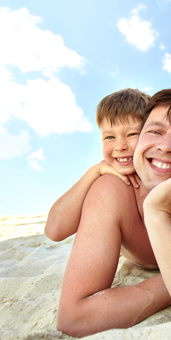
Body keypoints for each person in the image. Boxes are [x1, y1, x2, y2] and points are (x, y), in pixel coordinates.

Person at [57, 87, 171, 337]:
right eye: (155, 132)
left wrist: (157, 212)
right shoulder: (111, 190)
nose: (166, 146)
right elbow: (74, 317)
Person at [45, 88, 149, 242]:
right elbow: (54, 230)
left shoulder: (164, 170)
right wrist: (94, 172)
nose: (120, 146)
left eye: (132, 134)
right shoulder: (105, 174)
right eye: (109, 137)